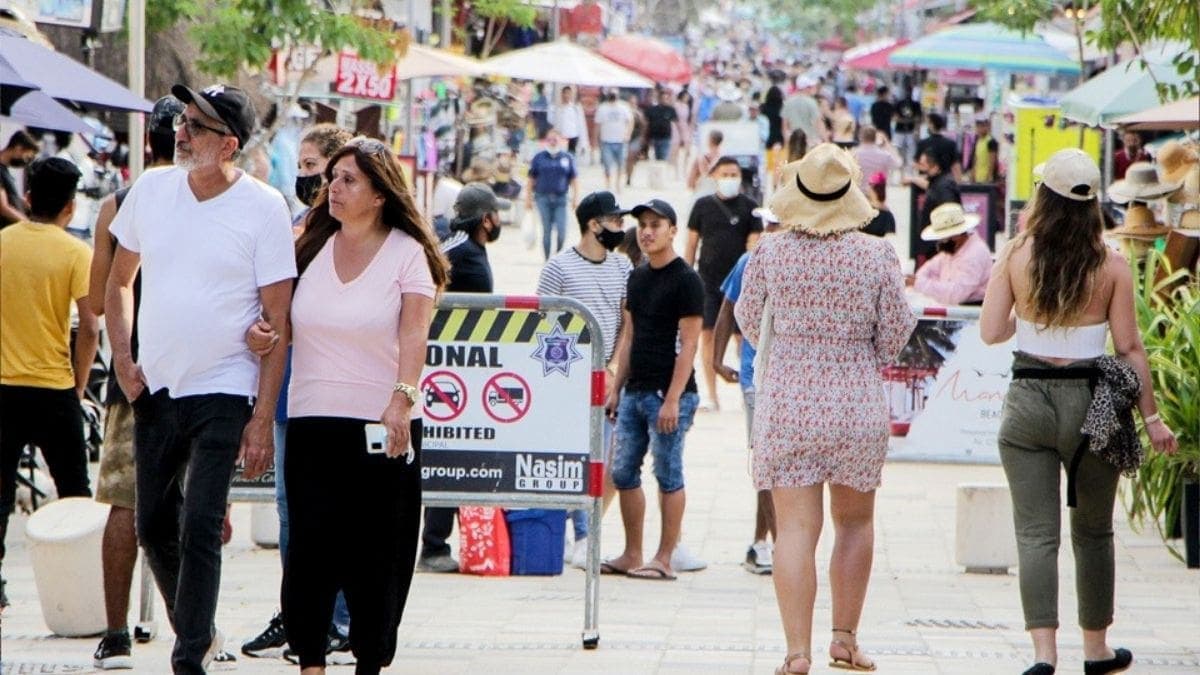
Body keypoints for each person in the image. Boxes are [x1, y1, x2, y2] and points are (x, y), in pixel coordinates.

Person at [105, 83, 295, 673]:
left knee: (200, 523)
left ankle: (187, 660)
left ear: (229, 144)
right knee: (153, 522)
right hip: (155, 385)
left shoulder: (264, 206)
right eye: (183, 121)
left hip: (225, 386)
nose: (181, 133)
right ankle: (200, 629)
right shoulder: (152, 189)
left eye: (197, 127)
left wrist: (262, 417)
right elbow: (118, 282)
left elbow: (278, 318)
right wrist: (122, 358)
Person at [979, 148, 1178, 675]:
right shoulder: (1110, 261)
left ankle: (1044, 654)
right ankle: (1096, 650)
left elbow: (992, 331)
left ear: (1043, 197)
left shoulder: (1016, 253)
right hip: (1096, 406)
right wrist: (1153, 419)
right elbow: (1130, 348)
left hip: (1030, 401)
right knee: (1093, 532)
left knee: (1035, 535)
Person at [734, 144, 917, 675]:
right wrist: (859, 357)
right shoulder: (878, 254)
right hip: (856, 400)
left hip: (788, 402)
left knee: (794, 531)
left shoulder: (770, 252)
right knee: (855, 524)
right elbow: (896, 334)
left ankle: (796, 652)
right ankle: (845, 639)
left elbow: (749, 323)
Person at [280, 136, 448, 674]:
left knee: (379, 556)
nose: (334, 187)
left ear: (380, 194)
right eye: (333, 177)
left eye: (349, 179)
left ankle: (370, 663)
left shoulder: (407, 253)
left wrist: (402, 399)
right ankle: (310, 662)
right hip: (311, 421)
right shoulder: (306, 243)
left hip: (381, 425)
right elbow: (278, 319)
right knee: (309, 553)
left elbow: (415, 334)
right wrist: (264, 334)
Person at [242, 121, 356, 662]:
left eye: (315, 168)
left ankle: (337, 617)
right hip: (287, 386)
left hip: (336, 389)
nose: (308, 178)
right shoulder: (290, 225)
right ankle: (300, 613)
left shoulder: (359, 234)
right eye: (304, 168)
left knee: (334, 509)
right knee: (291, 510)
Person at [86, 94, 185, 669]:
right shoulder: (217, 199)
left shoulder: (118, 205)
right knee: (190, 507)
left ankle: (117, 631)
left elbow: (102, 294)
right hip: (194, 376)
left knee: (126, 503)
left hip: (135, 373)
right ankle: (194, 627)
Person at [0, 157, 97, 611]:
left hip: (3, 388)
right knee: (74, 490)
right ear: (71, 208)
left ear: (29, 198)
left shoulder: (2, 243)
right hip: (55, 388)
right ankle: (80, 589)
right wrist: (79, 387)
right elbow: (91, 327)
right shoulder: (75, 252)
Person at [602, 198, 703, 581]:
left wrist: (674, 398)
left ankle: (664, 556)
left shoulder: (686, 280)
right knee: (624, 471)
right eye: (642, 224)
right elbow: (630, 335)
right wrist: (617, 386)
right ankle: (632, 552)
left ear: (672, 231)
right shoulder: (637, 277)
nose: (647, 231)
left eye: (655, 224)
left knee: (668, 472)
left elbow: (689, 344)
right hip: (634, 391)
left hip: (669, 394)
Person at [537, 191, 633, 568]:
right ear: (594, 224)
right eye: (614, 221)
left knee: (600, 460)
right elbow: (544, 327)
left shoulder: (622, 268)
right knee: (569, 456)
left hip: (607, 378)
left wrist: (612, 371)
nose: (620, 228)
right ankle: (569, 531)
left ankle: (585, 533)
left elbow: (628, 322)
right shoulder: (558, 268)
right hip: (567, 377)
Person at [418, 183, 508, 573]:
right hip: (448, 371)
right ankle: (434, 545)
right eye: (496, 214)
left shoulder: (459, 247)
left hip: (448, 368)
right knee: (451, 451)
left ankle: (437, 542)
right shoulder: (466, 256)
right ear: (486, 219)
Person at [713, 206, 780, 575]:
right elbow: (728, 308)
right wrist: (716, 358)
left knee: (771, 464)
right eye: (768, 223)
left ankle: (763, 541)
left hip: (792, 378)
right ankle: (775, 543)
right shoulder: (750, 261)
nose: (770, 229)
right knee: (766, 462)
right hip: (758, 376)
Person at [685, 156, 763, 412]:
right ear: (715, 175)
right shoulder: (702, 206)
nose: (731, 178)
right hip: (707, 281)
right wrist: (686, 276)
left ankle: (745, 389)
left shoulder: (751, 207)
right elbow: (691, 243)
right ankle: (712, 394)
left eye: (735, 174)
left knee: (744, 338)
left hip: (740, 284)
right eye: (725, 174)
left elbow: (753, 245)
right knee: (707, 337)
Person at [910, 203, 991, 305]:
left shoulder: (975, 254)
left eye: (944, 238)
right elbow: (924, 272)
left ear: (957, 235)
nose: (941, 241)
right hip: (956, 309)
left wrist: (922, 284)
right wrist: (937, 287)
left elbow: (956, 294)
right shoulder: (951, 251)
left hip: (972, 310)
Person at [526, 129, 579, 261]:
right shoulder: (539, 157)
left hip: (561, 198)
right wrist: (527, 198)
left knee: (562, 231)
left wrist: (576, 198)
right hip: (542, 197)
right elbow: (531, 179)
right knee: (547, 230)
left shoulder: (567, 158)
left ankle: (558, 255)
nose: (553, 142)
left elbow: (574, 179)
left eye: (555, 139)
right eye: (550, 139)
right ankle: (547, 258)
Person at [914, 148, 962, 264]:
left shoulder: (944, 187)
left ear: (935, 167)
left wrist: (943, 243)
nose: (920, 168)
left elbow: (949, 213)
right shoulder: (938, 183)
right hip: (932, 244)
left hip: (938, 247)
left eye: (923, 164)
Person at [0, 130, 40, 226]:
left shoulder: (4, 170)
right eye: (26, 157)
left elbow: (9, 197)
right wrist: (29, 225)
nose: (25, 162)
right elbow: (3, 207)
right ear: (18, 149)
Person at [595, 92, 633, 192]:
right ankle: (608, 183)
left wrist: (628, 134)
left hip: (621, 140)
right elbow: (597, 124)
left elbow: (630, 121)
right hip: (606, 140)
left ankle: (618, 184)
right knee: (607, 164)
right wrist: (595, 139)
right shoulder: (602, 108)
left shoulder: (624, 107)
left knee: (621, 164)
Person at [850, 126, 901, 194]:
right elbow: (898, 163)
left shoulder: (853, 154)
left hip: (859, 194)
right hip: (878, 195)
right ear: (875, 138)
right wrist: (887, 144)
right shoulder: (884, 155)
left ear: (860, 137)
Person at [913, 112, 960, 182]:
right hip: (945, 182)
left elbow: (916, 163)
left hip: (926, 182)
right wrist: (958, 182)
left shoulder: (922, 144)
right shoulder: (951, 144)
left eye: (928, 123)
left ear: (931, 125)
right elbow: (955, 166)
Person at [781, 76, 826, 147]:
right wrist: (825, 141)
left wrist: (787, 142)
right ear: (806, 88)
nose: (813, 89)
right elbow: (818, 122)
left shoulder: (788, 102)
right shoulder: (812, 102)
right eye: (811, 87)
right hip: (810, 142)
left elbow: (785, 125)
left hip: (794, 142)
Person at [549, 85, 588, 155]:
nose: (566, 95)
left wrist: (583, 144)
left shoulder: (576, 108)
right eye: (565, 93)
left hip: (573, 137)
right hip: (561, 138)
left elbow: (581, 126)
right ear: (562, 94)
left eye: (568, 93)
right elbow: (554, 123)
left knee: (571, 157)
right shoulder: (558, 109)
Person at [644, 89, 679, 163]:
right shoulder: (652, 109)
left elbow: (676, 122)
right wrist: (645, 137)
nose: (664, 100)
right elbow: (647, 123)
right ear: (659, 98)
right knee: (656, 158)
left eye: (666, 98)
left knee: (663, 158)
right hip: (654, 137)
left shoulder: (671, 109)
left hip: (665, 137)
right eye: (663, 98)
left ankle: (662, 172)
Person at [964, 114, 1000, 184]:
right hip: (977, 178)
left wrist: (989, 177)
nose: (980, 129)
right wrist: (972, 175)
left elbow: (992, 161)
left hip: (986, 180)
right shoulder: (977, 141)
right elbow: (975, 160)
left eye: (982, 126)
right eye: (978, 126)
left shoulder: (991, 141)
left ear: (987, 126)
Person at [760, 86, 786, 186]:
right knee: (778, 162)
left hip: (767, 136)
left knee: (766, 163)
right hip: (779, 137)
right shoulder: (783, 107)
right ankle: (776, 183)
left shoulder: (763, 107)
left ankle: (767, 183)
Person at [686, 129, 724, 195]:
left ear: (709, 141)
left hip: (703, 194)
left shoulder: (700, 158)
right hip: (720, 195)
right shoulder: (725, 159)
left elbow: (690, 183)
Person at [892, 89, 921, 167]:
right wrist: (911, 121)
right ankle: (903, 166)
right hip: (903, 131)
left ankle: (905, 166)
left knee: (907, 151)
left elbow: (918, 119)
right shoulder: (899, 103)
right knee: (902, 150)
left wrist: (903, 121)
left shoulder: (915, 104)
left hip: (906, 131)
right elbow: (895, 118)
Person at [624, 93, 648, 187]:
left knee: (631, 158)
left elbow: (643, 126)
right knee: (626, 159)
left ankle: (629, 177)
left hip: (635, 138)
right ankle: (626, 174)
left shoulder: (638, 113)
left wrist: (642, 138)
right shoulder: (624, 111)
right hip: (625, 138)